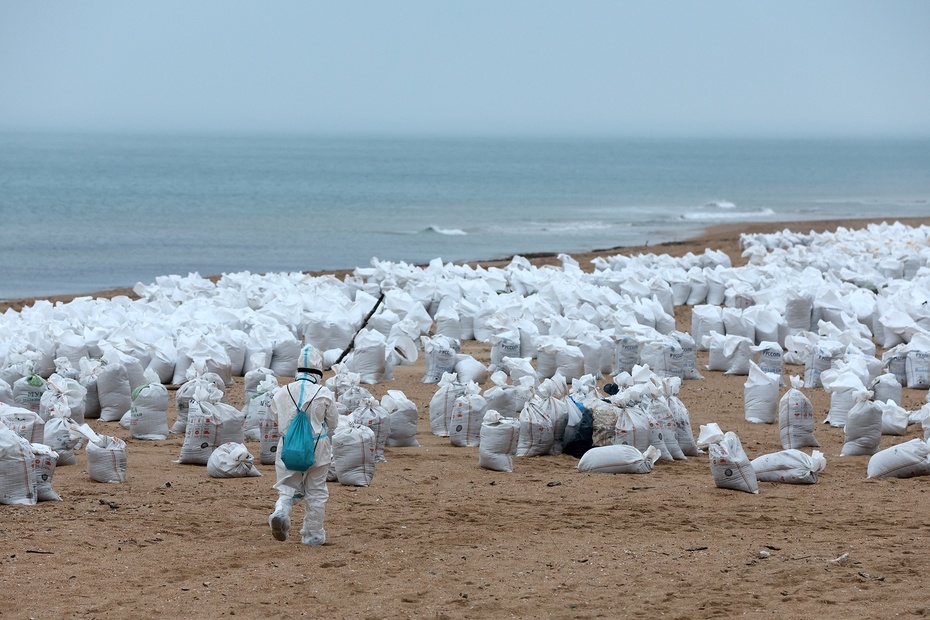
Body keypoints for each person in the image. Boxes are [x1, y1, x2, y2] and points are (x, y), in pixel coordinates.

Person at [268, 345, 339, 545]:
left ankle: (281, 511)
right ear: (318, 371)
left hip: (288, 447)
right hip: (318, 448)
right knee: (316, 492)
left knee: (287, 487)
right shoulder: (324, 393)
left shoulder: (281, 392)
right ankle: (313, 535)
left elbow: (276, 418)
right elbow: (333, 423)